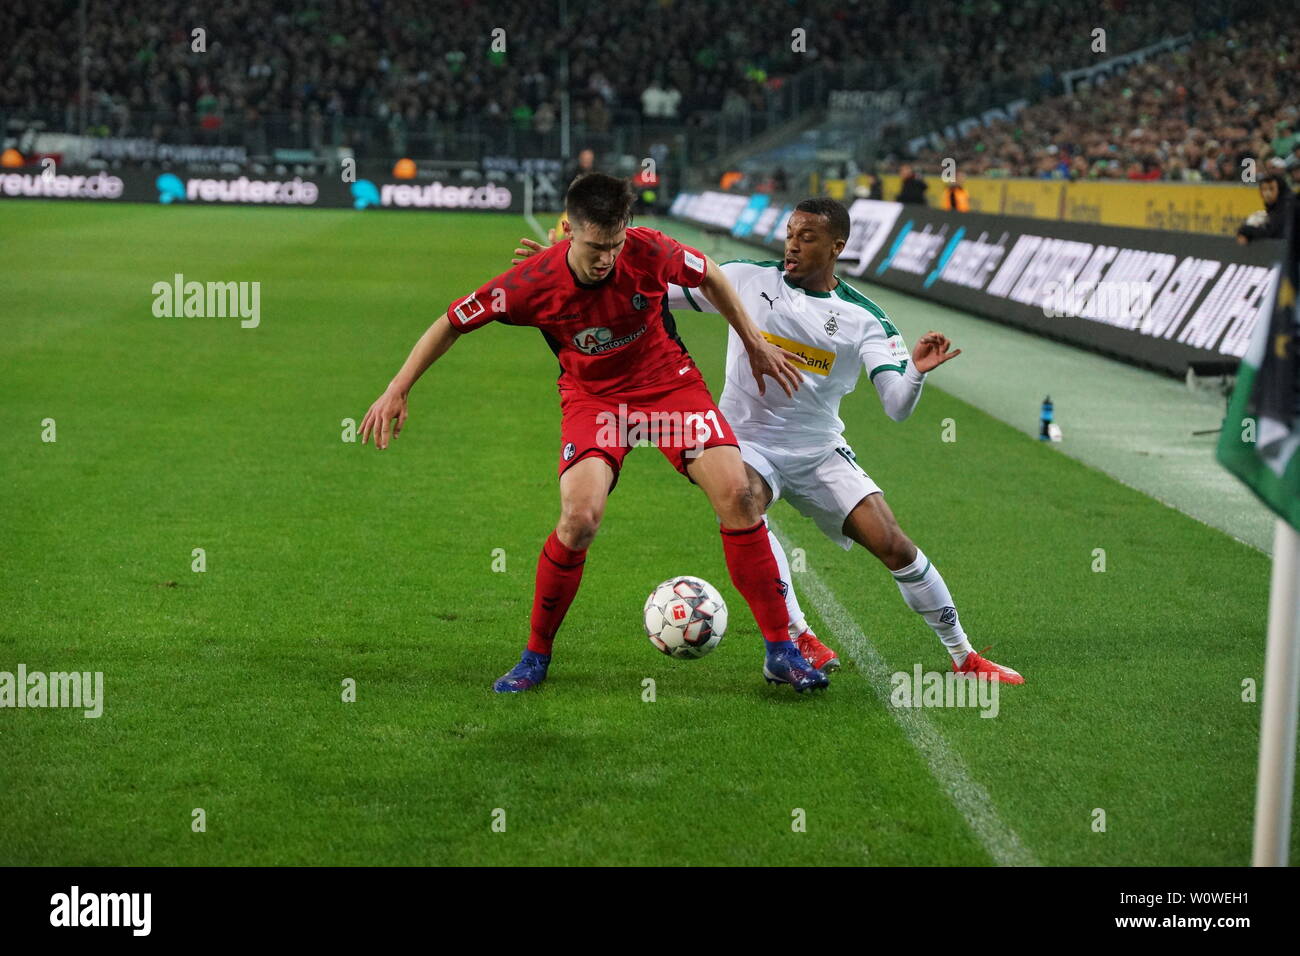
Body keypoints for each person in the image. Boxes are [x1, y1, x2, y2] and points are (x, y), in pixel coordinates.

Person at [515, 198, 1024, 683]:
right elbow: (643, 289)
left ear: (837, 246)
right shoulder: (745, 278)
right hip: (744, 442)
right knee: (744, 502)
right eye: (789, 234)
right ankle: (796, 638)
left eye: (808, 237)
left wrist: (914, 372)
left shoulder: (864, 319)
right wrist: (569, 268)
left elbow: (895, 406)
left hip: (820, 450)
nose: (793, 246)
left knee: (895, 546)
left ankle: (963, 655)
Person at [361, 174, 830, 694]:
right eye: (595, 247)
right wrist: (397, 387)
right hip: (595, 402)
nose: (607, 258)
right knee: (579, 518)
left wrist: (755, 341)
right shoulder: (530, 285)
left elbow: (712, 275)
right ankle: (535, 656)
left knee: (740, 495)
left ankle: (781, 652)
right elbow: (452, 320)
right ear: (571, 233)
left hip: (667, 388)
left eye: (615, 244)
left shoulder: (650, 249)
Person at [1237, 172, 1296, 245]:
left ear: (1280, 190)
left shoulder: (1288, 206)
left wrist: (1245, 230)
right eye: (1264, 189)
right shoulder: (1274, 207)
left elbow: (1272, 233)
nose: (1267, 193)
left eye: (1271, 189)